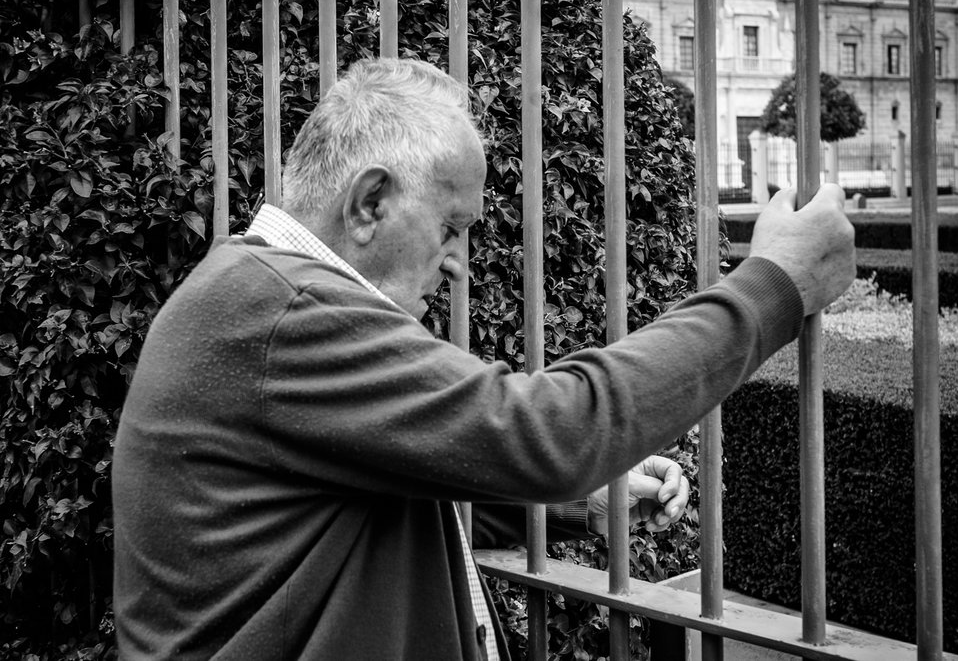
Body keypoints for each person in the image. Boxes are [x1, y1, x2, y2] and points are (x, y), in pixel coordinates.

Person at [112, 58, 854, 660]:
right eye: (452, 227)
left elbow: (364, 505)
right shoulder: (286, 311)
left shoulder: (254, 290)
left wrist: (578, 506)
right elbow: (552, 431)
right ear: (370, 202)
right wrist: (774, 288)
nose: (460, 264)